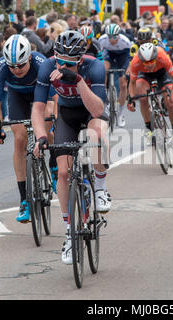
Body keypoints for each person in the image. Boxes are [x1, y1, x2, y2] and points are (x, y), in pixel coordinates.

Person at [31, 30, 111, 264]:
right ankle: (69, 232)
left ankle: (100, 186)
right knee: (63, 172)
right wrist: (40, 137)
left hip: (90, 112)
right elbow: (37, 109)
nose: (62, 65)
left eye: (69, 63)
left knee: (97, 134)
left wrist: (76, 80)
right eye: (59, 60)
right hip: (66, 115)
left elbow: (97, 110)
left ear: (79, 60)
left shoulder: (94, 66)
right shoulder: (47, 67)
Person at [0, 34, 53, 223]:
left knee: (49, 131)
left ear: (30, 58)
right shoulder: (0, 67)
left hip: (40, 94)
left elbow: (51, 104)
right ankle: (24, 199)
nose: (16, 70)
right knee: (19, 140)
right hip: (17, 96)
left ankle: (54, 165)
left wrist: (45, 129)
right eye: (12, 66)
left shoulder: (42, 63)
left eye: (21, 65)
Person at [127, 43, 173, 151]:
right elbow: (132, 83)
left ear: (156, 57)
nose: (148, 65)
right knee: (142, 98)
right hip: (145, 76)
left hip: (162, 74)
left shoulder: (162, 56)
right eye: (145, 62)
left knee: (169, 102)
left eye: (151, 61)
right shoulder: (136, 61)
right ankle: (149, 130)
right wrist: (131, 100)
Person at [98, 24, 131, 128]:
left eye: (114, 36)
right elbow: (100, 55)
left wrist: (127, 69)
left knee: (123, 83)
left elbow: (129, 58)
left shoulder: (125, 41)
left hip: (123, 55)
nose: (112, 39)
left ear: (119, 35)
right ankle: (104, 96)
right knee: (103, 69)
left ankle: (120, 113)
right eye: (109, 36)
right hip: (109, 54)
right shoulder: (102, 40)